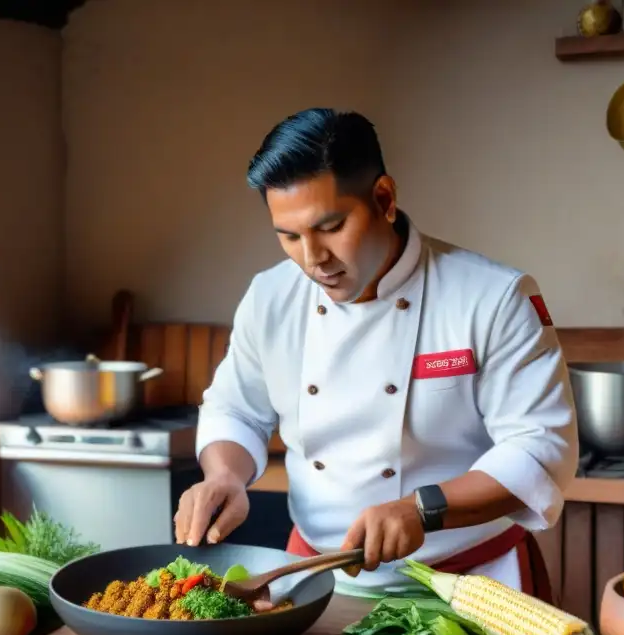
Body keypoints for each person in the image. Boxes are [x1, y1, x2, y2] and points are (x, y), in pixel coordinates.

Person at [173, 108, 579, 598]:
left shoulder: (494, 297)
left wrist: (422, 509)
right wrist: (225, 476)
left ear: (383, 199)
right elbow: (236, 408)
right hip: (311, 578)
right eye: (289, 235)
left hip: (471, 584)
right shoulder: (270, 297)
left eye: (331, 226)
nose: (312, 258)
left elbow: (540, 448)